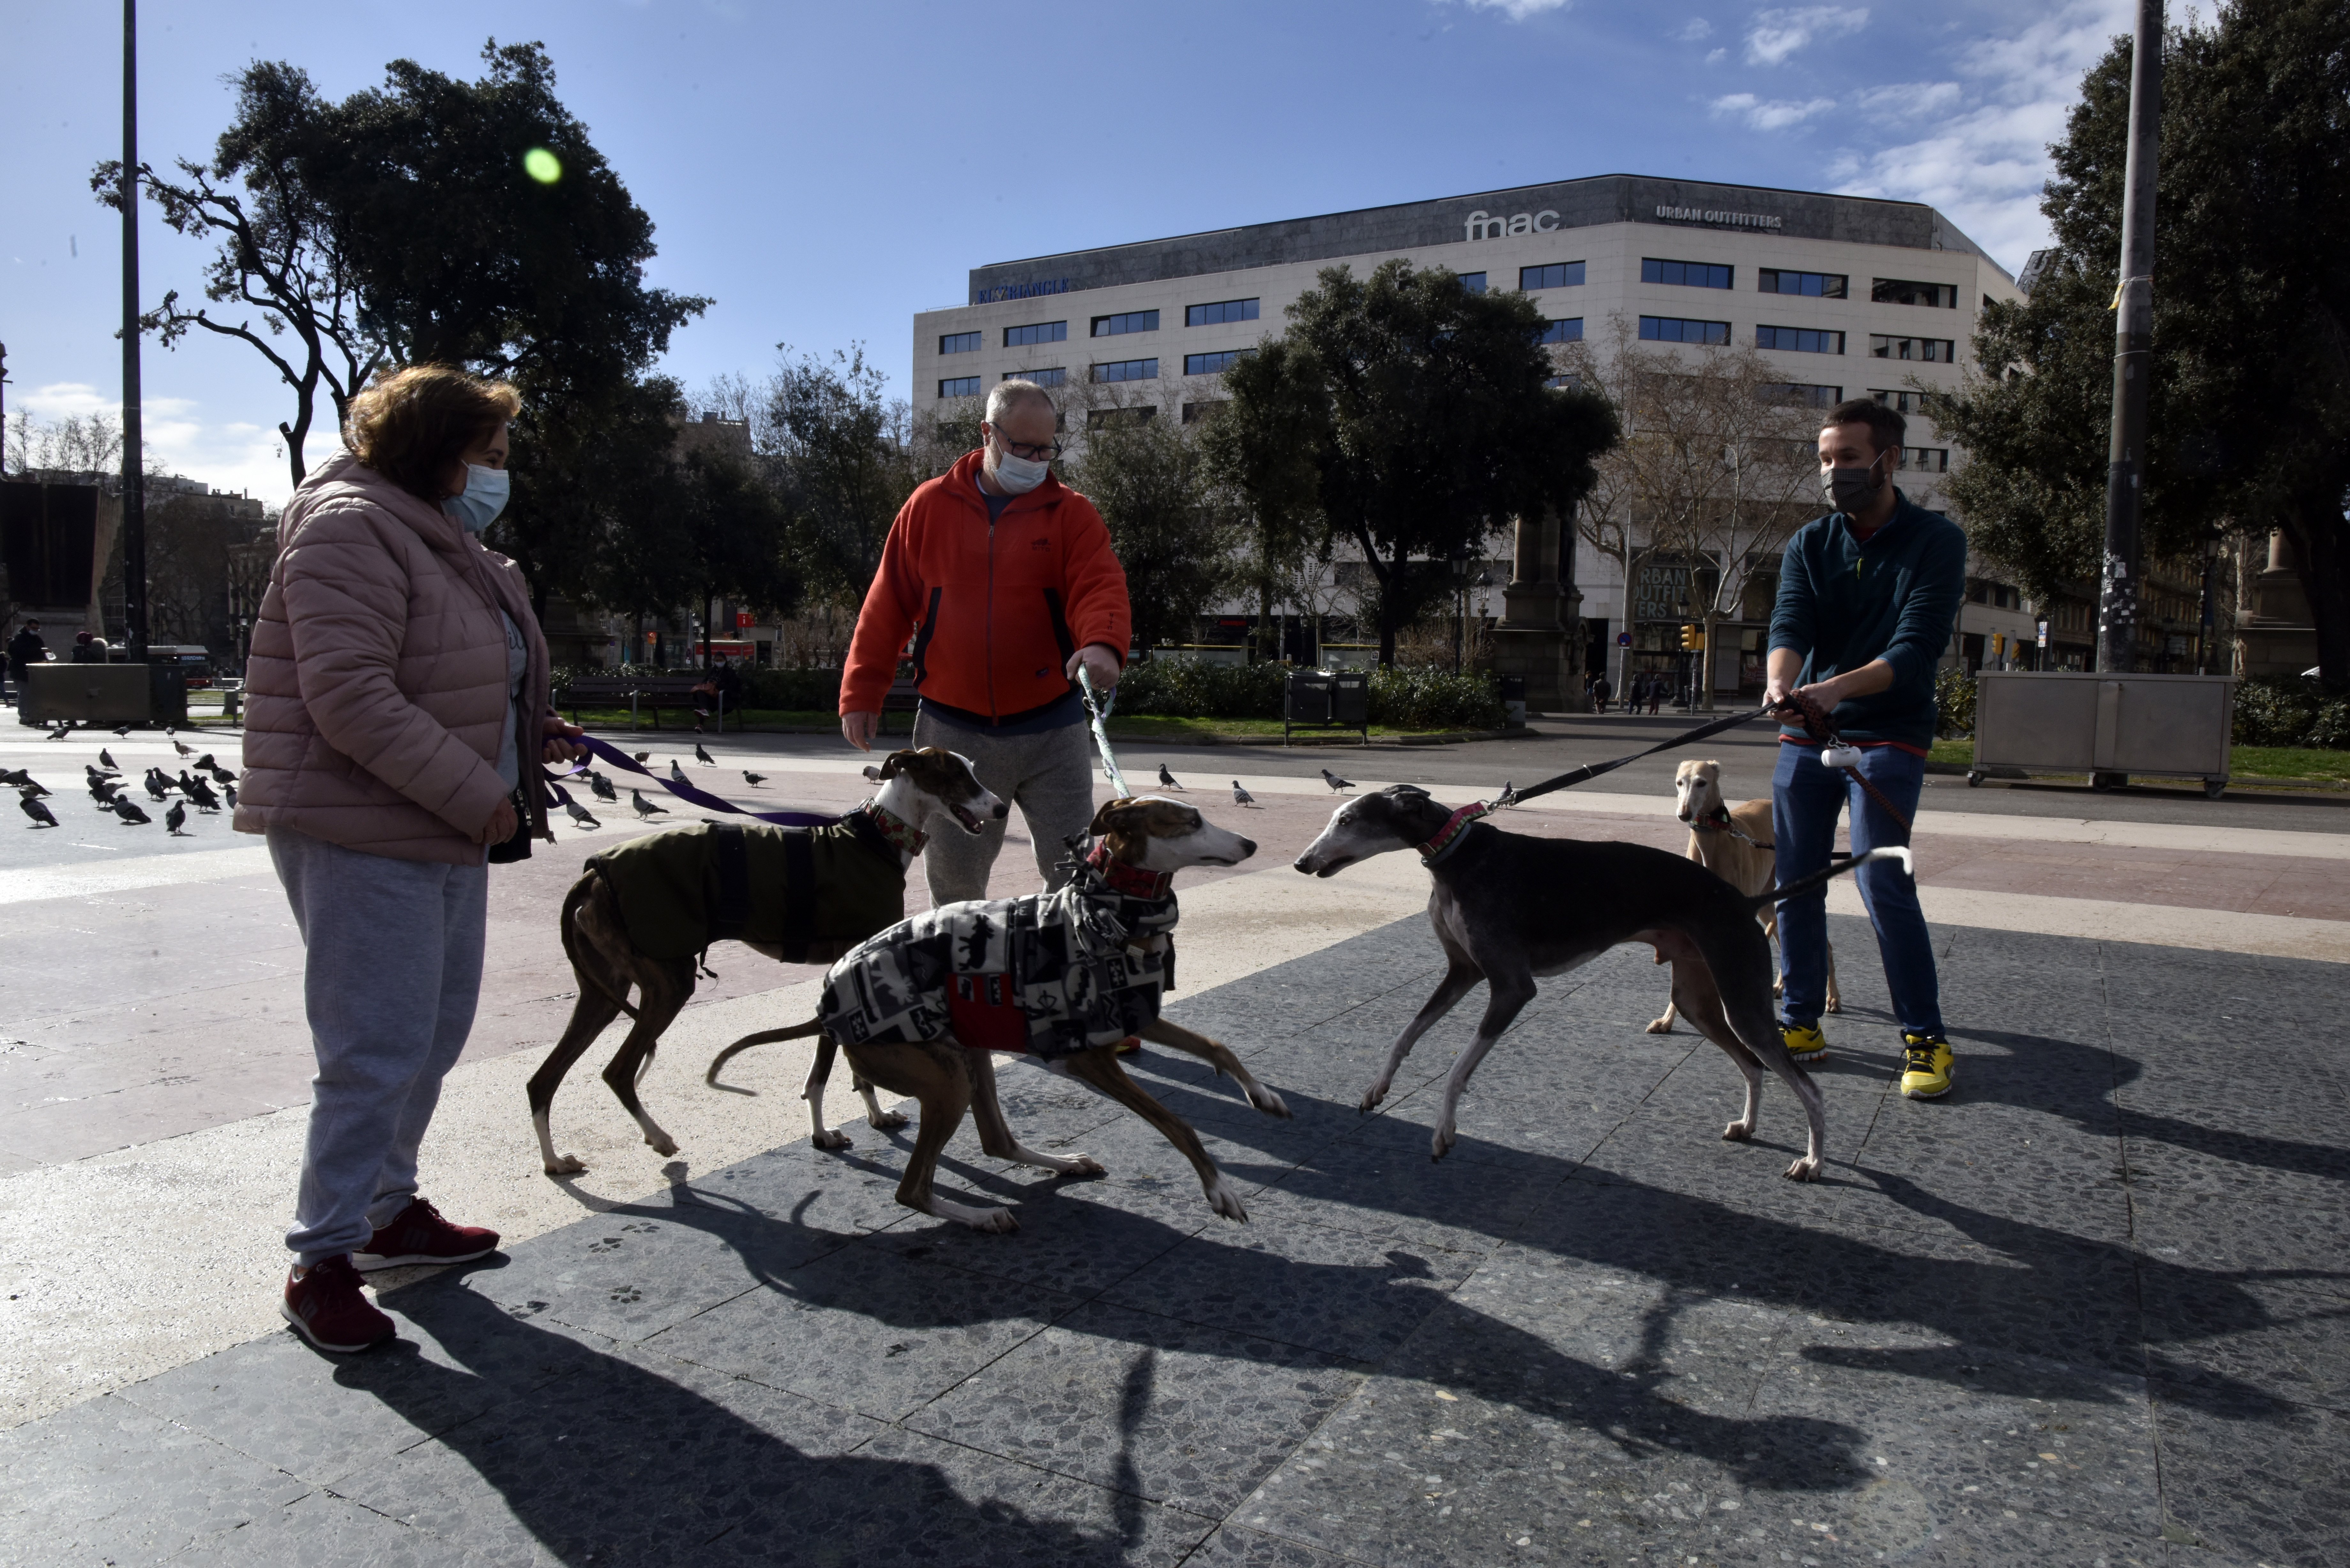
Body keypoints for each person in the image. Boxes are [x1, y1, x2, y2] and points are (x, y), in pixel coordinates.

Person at [237, 364, 586, 1353]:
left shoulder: (442, 536)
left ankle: (389, 1212)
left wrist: (527, 730)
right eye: (490, 455)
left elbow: (450, 672)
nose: (500, 475)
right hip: (359, 821)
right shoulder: (349, 526)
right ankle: (323, 1258)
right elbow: (349, 694)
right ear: (435, 447)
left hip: (441, 816)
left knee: (429, 1032)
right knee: (372, 1046)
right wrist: (480, 791)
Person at [840, 379, 1130, 905]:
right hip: (955, 730)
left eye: (1046, 449)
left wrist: (1103, 644)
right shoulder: (928, 507)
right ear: (987, 434)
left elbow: (1100, 584)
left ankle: (1069, 972)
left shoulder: (1072, 513)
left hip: (1052, 724)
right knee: (955, 878)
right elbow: (887, 603)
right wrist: (861, 693)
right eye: (1023, 447)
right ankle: (961, 979)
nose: (1037, 460)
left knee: (1074, 870)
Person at [1766, 397, 1964, 1100]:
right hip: (1806, 734)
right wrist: (1781, 682)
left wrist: (1834, 689)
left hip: (1888, 733)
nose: (1832, 473)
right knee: (1793, 881)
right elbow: (1789, 619)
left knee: (1882, 879)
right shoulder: (1811, 543)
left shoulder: (1935, 541)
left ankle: (1925, 1039)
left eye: (1846, 458)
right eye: (1823, 460)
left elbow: (1915, 648)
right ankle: (1797, 1020)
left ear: (1888, 459)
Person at [5, 618, 45, 703]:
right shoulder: (20, 638)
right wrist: (40, 651)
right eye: (33, 628)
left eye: (37, 629)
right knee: (24, 694)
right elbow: (20, 652)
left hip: (32, 671)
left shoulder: (37, 639)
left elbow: (41, 653)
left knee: (31, 694)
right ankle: (24, 713)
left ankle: (30, 713)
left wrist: (45, 659)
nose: (36, 631)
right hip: (20, 671)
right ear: (27, 627)